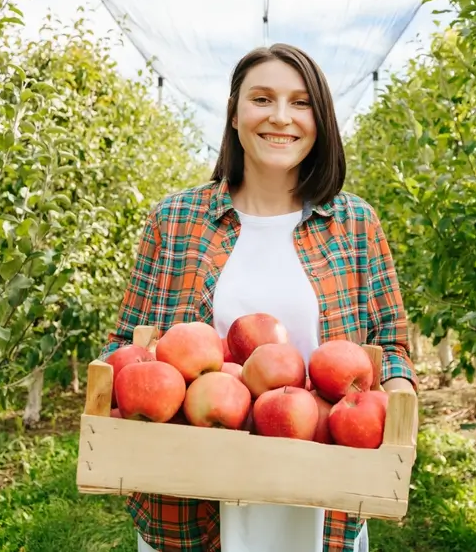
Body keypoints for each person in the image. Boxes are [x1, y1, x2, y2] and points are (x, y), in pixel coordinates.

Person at [100, 42, 417, 552]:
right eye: (262, 99)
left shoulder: (355, 224)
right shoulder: (175, 220)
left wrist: (396, 406)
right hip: (192, 491)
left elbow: (391, 346)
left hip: (321, 494)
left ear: (321, 119)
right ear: (234, 112)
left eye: (300, 102)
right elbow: (125, 343)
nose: (281, 117)